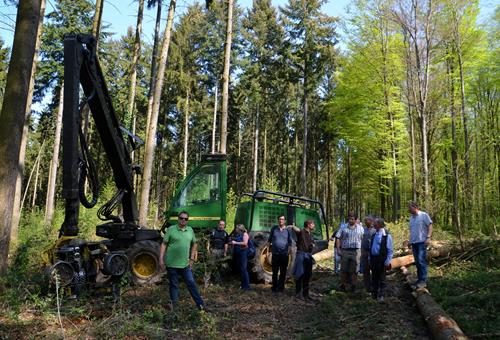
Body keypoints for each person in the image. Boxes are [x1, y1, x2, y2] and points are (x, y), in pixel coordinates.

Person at [159, 211, 205, 310]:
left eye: (185, 219)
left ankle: (201, 306)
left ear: (187, 220)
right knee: (174, 285)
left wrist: (192, 258)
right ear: (178, 218)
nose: (183, 220)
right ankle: (175, 308)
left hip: (185, 265)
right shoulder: (171, 229)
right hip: (171, 264)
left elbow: (195, 243)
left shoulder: (190, 230)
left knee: (191, 284)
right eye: (181, 218)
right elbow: (164, 244)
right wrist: (161, 259)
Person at [336, 212, 364, 292]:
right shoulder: (343, 227)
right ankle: (343, 286)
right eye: (349, 219)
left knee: (354, 270)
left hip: (356, 251)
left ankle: (353, 286)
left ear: (356, 220)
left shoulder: (360, 228)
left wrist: (362, 251)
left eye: (352, 219)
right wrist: (338, 249)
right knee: (344, 269)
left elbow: (363, 239)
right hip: (345, 251)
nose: (350, 220)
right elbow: (338, 237)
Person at [407, 202, 433, 289]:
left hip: (422, 242)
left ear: (415, 207)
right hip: (414, 243)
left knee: (421, 260)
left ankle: (423, 281)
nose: (409, 209)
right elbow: (412, 231)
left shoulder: (424, 215)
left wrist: (428, 237)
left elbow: (430, 225)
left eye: (410, 208)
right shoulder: (411, 218)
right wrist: (410, 242)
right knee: (417, 262)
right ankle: (419, 280)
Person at [290, 220, 316, 302]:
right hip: (301, 255)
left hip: (308, 256)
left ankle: (306, 294)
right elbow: (296, 230)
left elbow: (311, 244)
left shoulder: (310, 234)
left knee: (307, 276)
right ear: (308, 225)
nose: (314, 225)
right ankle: (298, 294)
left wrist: (312, 245)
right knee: (300, 275)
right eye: (312, 224)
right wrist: (292, 226)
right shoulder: (301, 232)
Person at [369, 217, 393, 302]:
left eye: (375, 223)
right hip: (373, 259)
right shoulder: (374, 234)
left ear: (379, 224)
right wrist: (369, 258)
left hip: (381, 259)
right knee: (374, 277)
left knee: (382, 278)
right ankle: (374, 294)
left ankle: (382, 295)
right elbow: (371, 247)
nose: (373, 224)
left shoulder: (386, 236)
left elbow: (390, 250)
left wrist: (387, 261)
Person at [268, 215, 292, 293]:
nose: (281, 220)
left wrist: (288, 252)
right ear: (278, 220)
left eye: (282, 219)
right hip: (275, 254)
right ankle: (274, 287)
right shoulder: (274, 229)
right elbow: (269, 240)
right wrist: (268, 251)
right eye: (279, 219)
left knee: (283, 272)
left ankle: (281, 287)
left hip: (284, 255)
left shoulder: (288, 230)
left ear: (285, 221)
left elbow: (290, 243)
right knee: (274, 271)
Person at [231, 224, 251, 291]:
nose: (235, 229)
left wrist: (236, 243)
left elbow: (245, 243)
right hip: (239, 253)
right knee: (241, 270)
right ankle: (243, 286)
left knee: (244, 269)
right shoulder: (238, 234)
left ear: (240, 229)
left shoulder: (245, 234)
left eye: (236, 228)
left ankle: (247, 287)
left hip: (243, 253)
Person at [360, 215, 376, 292]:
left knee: (374, 270)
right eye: (365, 220)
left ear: (371, 221)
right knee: (365, 271)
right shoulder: (363, 229)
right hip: (364, 252)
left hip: (373, 253)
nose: (365, 222)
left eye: (367, 220)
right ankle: (367, 287)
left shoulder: (375, 230)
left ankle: (374, 286)